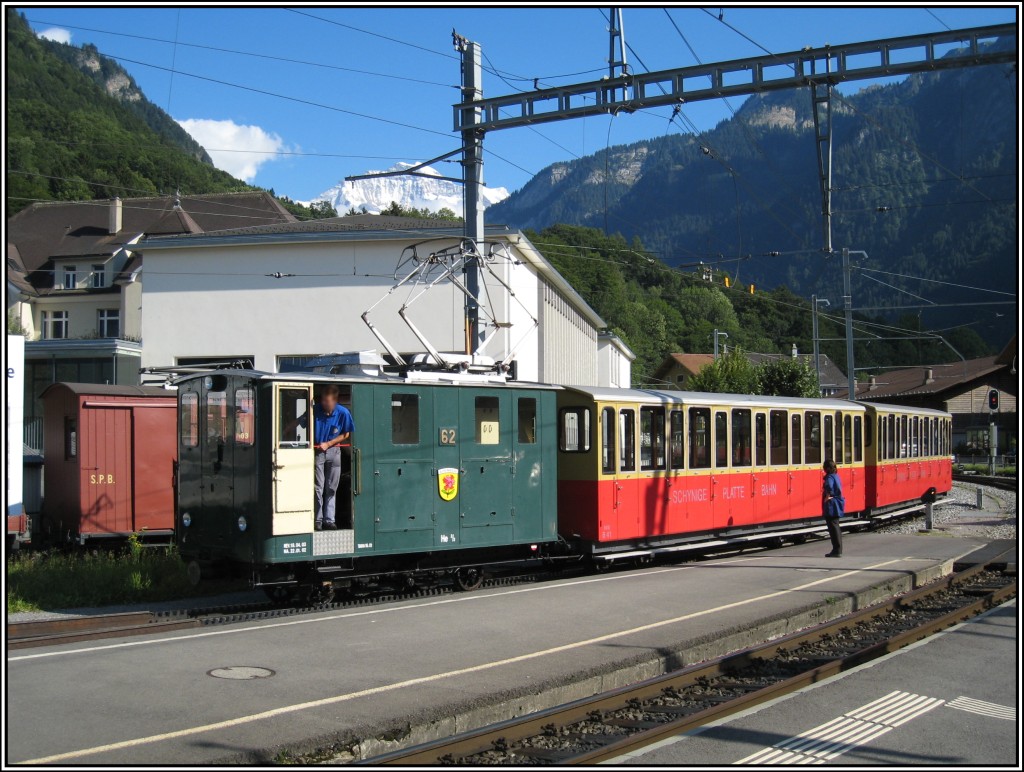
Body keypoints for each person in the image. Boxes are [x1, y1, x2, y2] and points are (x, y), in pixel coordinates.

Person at [313, 385, 354, 531]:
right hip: (318, 451)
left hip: (334, 451)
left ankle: (329, 520)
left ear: (335, 401)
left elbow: (346, 434)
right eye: (323, 400)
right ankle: (317, 520)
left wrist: (329, 443)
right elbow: (299, 422)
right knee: (318, 487)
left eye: (327, 401)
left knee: (331, 488)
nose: (324, 403)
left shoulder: (343, 413)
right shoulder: (315, 410)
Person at [822, 458, 845, 557]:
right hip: (837, 502)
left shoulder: (830, 477)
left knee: (833, 527)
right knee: (836, 526)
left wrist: (827, 497)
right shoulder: (836, 476)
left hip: (832, 504)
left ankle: (836, 550)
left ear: (826, 468)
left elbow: (829, 487)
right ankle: (838, 549)